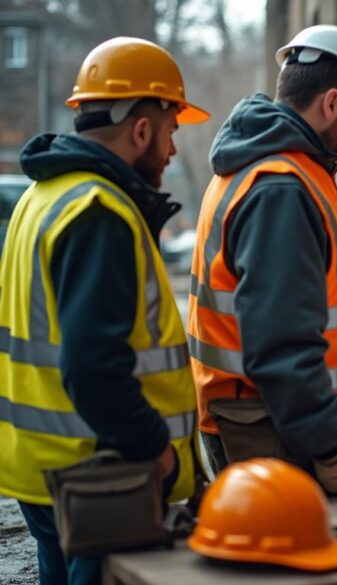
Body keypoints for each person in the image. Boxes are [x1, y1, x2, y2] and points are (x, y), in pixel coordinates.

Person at [0, 37, 208, 585]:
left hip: (42, 466)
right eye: (170, 132)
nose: (171, 150)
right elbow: (92, 367)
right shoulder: (99, 212)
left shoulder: (40, 198)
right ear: (141, 129)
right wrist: (156, 453)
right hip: (100, 472)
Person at [188, 25, 337, 495]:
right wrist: (331, 449)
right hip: (274, 434)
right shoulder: (281, 187)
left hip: (261, 422)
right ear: (330, 103)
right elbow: (282, 346)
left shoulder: (256, 167)